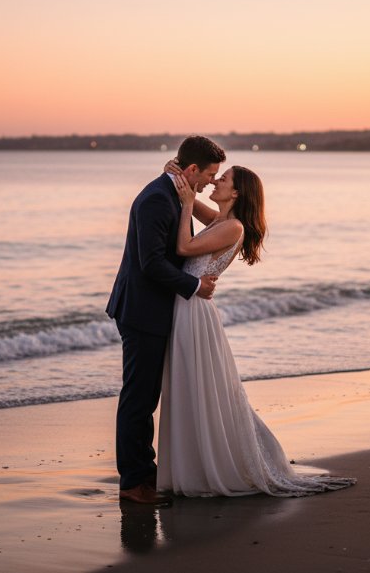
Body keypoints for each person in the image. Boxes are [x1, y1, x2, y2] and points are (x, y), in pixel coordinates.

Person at [157, 162, 356, 496]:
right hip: (190, 307)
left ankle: (208, 468)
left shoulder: (233, 227)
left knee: (199, 386)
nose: (216, 181)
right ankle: (193, 465)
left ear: (236, 192)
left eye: (224, 179)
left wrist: (188, 203)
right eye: (217, 176)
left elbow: (184, 249)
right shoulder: (221, 220)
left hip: (195, 312)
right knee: (191, 386)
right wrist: (178, 177)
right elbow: (190, 199)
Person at [106, 135, 225, 504]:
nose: (209, 183)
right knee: (139, 399)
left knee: (147, 396)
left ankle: (146, 473)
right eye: (208, 175)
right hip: (142, 310)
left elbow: (215, 222)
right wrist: (194, 286)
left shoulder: (175, 192)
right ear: (191, 169)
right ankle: (134, 483)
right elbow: (151, 262)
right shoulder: (157, 199)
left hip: (156, 308)